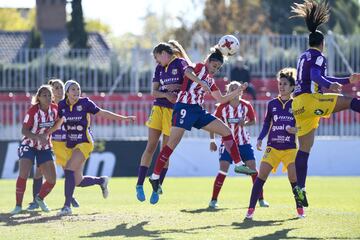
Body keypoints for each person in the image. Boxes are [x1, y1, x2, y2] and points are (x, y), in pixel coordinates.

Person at [148, 47, 258, 204]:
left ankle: (239, 164)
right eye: (214, 66)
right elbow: (187, 73)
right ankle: (155, 177)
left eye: (218, 68)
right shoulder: (199, 66)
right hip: (184, 107)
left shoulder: (211, 80)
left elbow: (220, 99)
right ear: (208, 62)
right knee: (172, 144)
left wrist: (238, 91)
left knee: (226, 131)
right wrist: (201, 82)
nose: (215, 70)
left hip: (197, 111)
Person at [290, 0, 360, 207]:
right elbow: (317, 77)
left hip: (299, 106)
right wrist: (329, 86)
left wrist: (347, 80)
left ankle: (300, 189)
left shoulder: (304, 56)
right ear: (322, 44)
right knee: (351, 102)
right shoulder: (319, 56)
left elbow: (319, 77)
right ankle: (300, 188)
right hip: (312, 100)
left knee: (304, 149)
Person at [55, 80, 136, 216]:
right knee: (78, 181)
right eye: (73, 89)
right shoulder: (61, 105)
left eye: (78, 89)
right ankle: (101, 181)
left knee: (68, 169)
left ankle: (66, 207)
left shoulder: (85, 103)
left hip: (84, 142)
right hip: (70, 144)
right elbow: (54, 121)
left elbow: (103, 113)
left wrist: (124, 119)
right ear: (67, 92)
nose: (76, 92)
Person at [136, 40, 191, 204]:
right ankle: (139, 184)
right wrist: (166, 94)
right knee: (151, 146)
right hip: (159, 108)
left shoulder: (181, 63)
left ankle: (156, 186)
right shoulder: (160, 68)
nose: (156, 61)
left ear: (163, 53)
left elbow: (189, 84)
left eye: (156, 57)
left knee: (165, 151)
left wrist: (178, 87)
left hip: (173, 112)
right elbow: (154, 92)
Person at [245, 68, 305, 219]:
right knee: (260, 177)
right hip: (273, 147)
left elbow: (303, 126)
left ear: (292, 87)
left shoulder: (297, 104)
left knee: (293, 178)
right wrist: (260, 138)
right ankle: (250, 210)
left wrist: (295, 130)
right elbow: (266, 123)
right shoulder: (272, 104)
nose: (281, 86)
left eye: (285, 84)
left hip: (290, 149)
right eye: (280, 83)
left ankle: (299, 208)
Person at [208, 81, 269, 209]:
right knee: (223, 170)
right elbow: (211, 124)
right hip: (227, 144)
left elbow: (253, 121)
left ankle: (261, 199)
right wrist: (212, 140)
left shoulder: (246, 105)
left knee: (253, 170)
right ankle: (213, 200)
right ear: (228, 92)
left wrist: (244, 123)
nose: (235, 91)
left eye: (237, 89)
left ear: (241, 92)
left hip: (244, 143)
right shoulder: (222, 107)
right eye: (232, 89)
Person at [27, 79, 80, 211]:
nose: (59, 91)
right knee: (39, 172)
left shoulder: (67, 105)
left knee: (68, 171)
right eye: (56, 88)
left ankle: (70, 197)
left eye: (61, 88)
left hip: (64, 144)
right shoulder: (48, 108)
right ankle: (35, 200)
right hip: (49, 144)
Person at [10, 85, 59, 214]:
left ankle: (39, 198)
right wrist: (38, 137)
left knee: (52, 180)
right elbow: (24, 130)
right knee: (24, 174)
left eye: (49, 95)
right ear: (38, 98)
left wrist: (49, 133)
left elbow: (60, 121)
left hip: (45, 147)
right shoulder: (33, 111)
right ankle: (18, 206)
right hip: (29, 145)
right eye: (44, 95)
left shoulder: (55, 109)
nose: (48, 98)